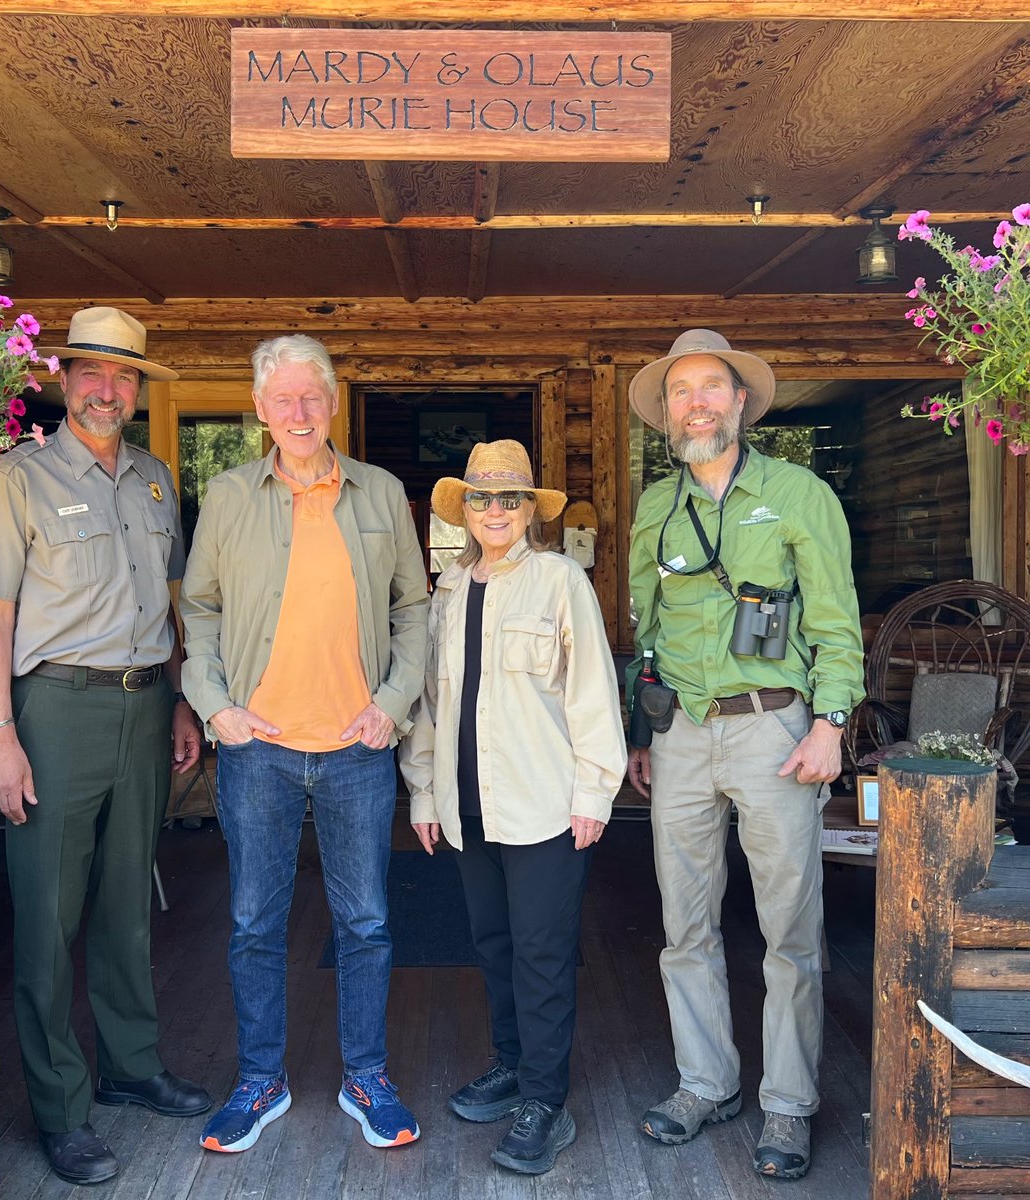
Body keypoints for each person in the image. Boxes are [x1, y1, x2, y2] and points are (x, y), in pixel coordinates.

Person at [0, 306, 210, 1186]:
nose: (108, 391)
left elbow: (166, 607)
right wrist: (0, 738)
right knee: (48, 914)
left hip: (145, 707)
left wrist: (180, 701)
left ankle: (130, 1067)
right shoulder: (16, 480)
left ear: (138, 389)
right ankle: (62, 1109)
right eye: (93, 374)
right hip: (54, 711)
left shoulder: (154, 479)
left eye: (124, 376)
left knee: (126, 901)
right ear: (64, 381)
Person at [180, 333, 428, 1155]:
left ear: (333, 403)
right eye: (282, 398)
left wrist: (392, 703)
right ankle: (260, 1079)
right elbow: (199, 609)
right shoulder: (227, 496)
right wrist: (216, 706)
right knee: (254, 922)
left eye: (311, 396)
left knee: (367, 922)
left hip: (359, 745)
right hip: (258, 747)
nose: (298, 412)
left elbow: (413, 608)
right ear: (260, 408)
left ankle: (367, 1077)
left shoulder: (381, 491)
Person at [625, 329, 864, 1180]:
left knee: (789, 929)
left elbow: (835, 619)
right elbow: (646, 630)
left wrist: (830, 722)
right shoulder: (656, 506)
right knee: (683, 924)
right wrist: (643, 729)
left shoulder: (800, 494)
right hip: (682, 735)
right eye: (680, 390)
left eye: (710, 387)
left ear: (740, 402)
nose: (695, 402)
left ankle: (789, 1104)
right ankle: (707, 1083)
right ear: (668, 412)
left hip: (774, 729)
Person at [401, 441, 627, 1176]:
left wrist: (594, 792)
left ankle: (545, 1100)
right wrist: (425, 790)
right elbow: (431, 702)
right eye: (481, 499)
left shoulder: (561, 581)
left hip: (543, 803)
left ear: (531, 510)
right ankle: (511, 1064)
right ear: (464, 511)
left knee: (541, 953)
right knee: (492, 944)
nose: (494, 511)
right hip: (468, 803)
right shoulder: (447, 591)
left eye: (509, 499)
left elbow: (592, 692)